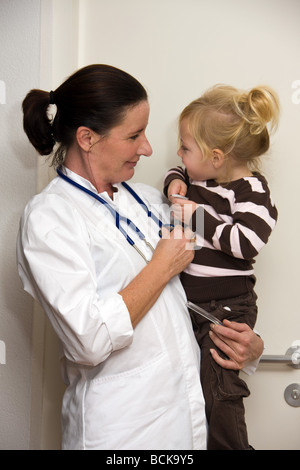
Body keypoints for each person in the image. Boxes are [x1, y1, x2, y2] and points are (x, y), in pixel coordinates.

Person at [17, 65, 264, 450]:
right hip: (121, 432)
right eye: (134, 135)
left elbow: (196, 292)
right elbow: (88, 341)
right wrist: (162, 267)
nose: (148, 148)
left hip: (187, 423)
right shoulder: (50, 219)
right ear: (87, 138)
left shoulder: (149, 199)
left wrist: (249, 349)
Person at [164, 84, 279, 450]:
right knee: (192, 393)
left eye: (185, 146)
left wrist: (199, 218)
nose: (178, 152)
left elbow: (247, 243)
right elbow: (175, 170)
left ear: (216, 157)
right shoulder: (197, 176)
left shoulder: (251, 193)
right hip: (193, 305)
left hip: (227, 306)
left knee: (220, 391)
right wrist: (175, 182)